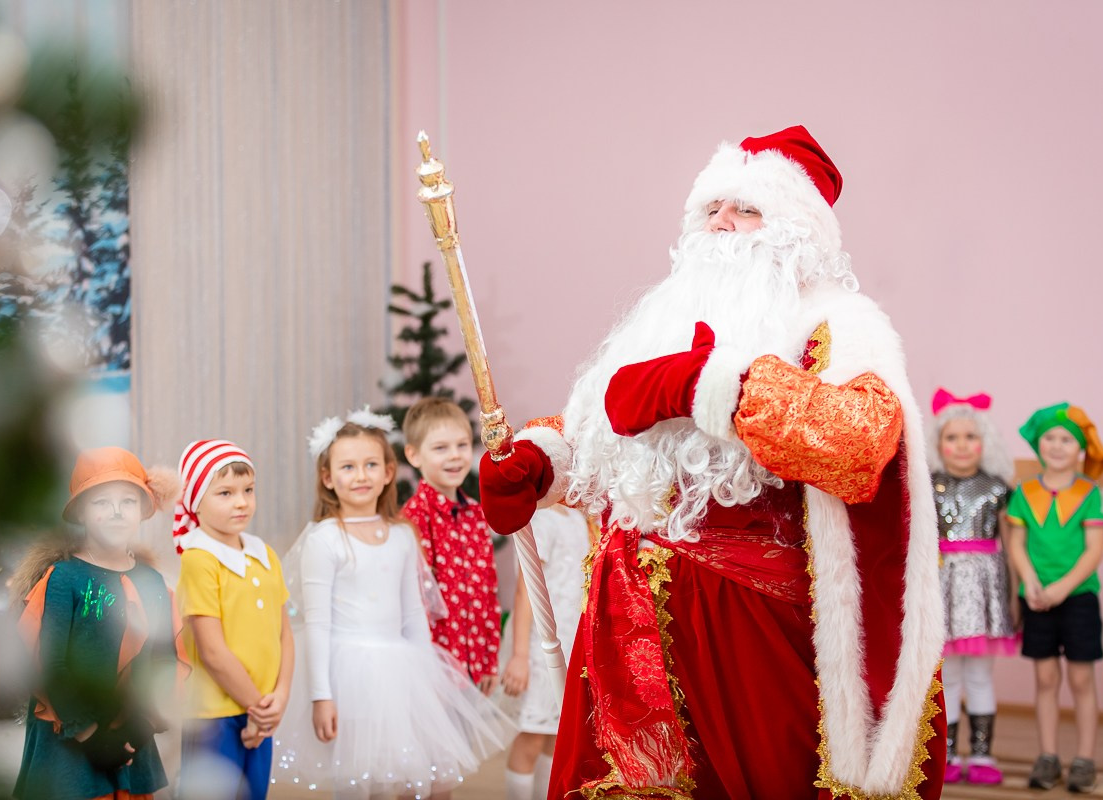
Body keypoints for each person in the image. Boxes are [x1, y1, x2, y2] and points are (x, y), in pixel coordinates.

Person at [477, 126, 947, 799]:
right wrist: (543, 464)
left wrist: (706, 386)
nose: (723, 224)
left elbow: (860, 443)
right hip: (628, 630)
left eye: (746, 209)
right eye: (711, 209)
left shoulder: (839, 323)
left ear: (797, 230)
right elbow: (609, 439)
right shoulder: (662, 316)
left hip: (753, 639)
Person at [271, 408, 513, 799]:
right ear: (328, 478)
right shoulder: (325, 539)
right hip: (347, 673)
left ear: (388, 472)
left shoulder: (402, 535)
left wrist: (427, 681)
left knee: (402, 779)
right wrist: (321, 695)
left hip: (400, 671)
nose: (361, 475)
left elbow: (415, 613)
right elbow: (317, 624)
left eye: (370, 465)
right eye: (348, 467)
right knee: (358, 777)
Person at [13, 447, 183, 800]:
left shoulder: (152, 581)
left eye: (128, 501)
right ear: (81, 512)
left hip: (131, 736)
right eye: (101, 502)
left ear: (142, 510)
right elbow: (53, 664)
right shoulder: (63, 578)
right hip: (72, 739)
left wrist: (141, 726)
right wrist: (92, 735)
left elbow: (163, 659)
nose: (117, 512)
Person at [175, 440, 293, 800]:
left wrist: (280, 698)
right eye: (225, 493)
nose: (241, 501)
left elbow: (284, 634)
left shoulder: (265, 554)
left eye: (248, 490)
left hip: (261, 709)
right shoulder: (199, 559)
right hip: (214, 715)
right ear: (196, 500)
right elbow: (212, 651)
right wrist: (259, 708)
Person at [1005, 403, 1103, 793]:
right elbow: (1016, 543)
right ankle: (1047, 757)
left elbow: (1094, 550)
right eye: (1050, 437)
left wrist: (1062, 588)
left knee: (1081, 680)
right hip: (1036, 599)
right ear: (1038, 444)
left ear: (1080, 447)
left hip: (1077, 598)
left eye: (1067, 439)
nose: (1057, 445)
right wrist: (1031, 582)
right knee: (1045, 677)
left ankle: (1084, 759)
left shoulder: (1089, 494)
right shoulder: (1024, 492)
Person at [927, 388, 1018, 785]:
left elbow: (1013, 546)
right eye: (952, 437)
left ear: (985, 442)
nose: (962, 446)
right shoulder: (928, 486)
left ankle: (982, 754)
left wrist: (1017, 596)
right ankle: (945, 754)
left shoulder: (998, 488)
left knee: (980, 675)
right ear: (938, 443)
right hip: (942, 586)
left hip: (984, 592)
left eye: (970, 437)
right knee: (947, 678)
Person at [401, 396, 501, 693]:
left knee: (466, 739)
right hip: (433, 667)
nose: (455, 456)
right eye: (440, 448)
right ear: (414, 455)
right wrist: (427, 666)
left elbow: (488, 589)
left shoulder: (475, 514)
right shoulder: (413, 519)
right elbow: (415, 598)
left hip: (473, 666)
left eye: (462, 445)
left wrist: (488, 660)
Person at [500, 503, 595, 800]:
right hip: (540, 647)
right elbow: (526, 587)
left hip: (568, 642)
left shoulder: (579, 519)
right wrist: (520, 656)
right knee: (531, 734)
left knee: (556, 737)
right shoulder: (541, 519)